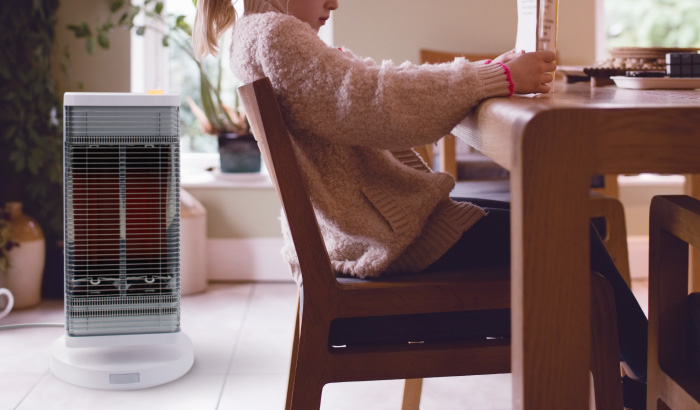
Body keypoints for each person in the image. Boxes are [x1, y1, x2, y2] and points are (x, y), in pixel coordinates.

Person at [192, 0, 648, 408]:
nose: (334, 2)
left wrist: (487, 70)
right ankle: (654, 377)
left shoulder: (259, 35)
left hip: (370, 229)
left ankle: (645, 376)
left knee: (568, 228)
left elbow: (373, 84)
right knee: (570, 238)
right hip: (385, 238)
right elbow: (374, 101)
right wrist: (498, 76)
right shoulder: (276, 34)